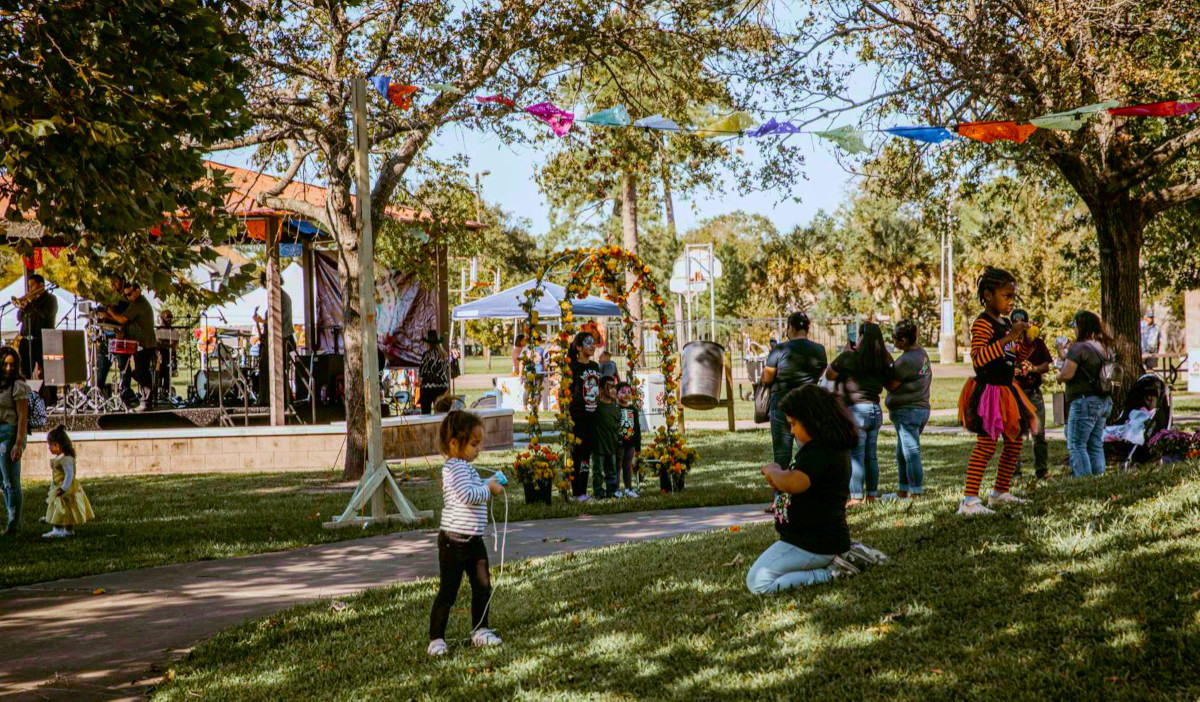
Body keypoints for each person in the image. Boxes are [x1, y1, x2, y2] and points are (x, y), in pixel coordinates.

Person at [746, 385, 887, 593]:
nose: (792, 431)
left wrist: (775, 471)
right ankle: (840, 557)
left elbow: (795, 483)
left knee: (759, 583)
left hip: (814, 543)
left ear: (812, 420)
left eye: (794, 424)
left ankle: (831, 572)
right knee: (762, 575)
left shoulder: (821, 452)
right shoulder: (819, 449)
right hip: (807, 541)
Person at [956, 267, 1038, 516]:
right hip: (989, 391)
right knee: (987, 444)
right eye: (1006, 296)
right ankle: (969, 500)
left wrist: (1026, 342)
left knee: (1014, 442)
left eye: (1013, 296)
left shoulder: (1005, 323)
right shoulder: (983, 323)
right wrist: (1008, 337)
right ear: (988, 295)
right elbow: (979, 358)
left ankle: (1000, 492)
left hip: (1007, 389)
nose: (1011, 302)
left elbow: (1013, 356)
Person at [427, 410, 504, 656]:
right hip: (454, 541)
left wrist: (488, 482)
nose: (477, 449)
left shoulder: (464, 467)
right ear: (454, 443)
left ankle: (480, 630)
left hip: (473, 540)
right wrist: (489, 489)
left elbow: (474, 487)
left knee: (482, 585)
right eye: (473, 444)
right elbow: (468, 495)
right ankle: (436, 639)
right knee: (448, 591)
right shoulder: (454, 468)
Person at [826, 321, 893, 506]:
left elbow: (829, 374)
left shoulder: (849, 357)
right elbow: (891, 381)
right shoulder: (882, 360)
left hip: (856, 411)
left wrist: (847, 351)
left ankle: (856, 496)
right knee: (871, 456)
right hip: (875, 410)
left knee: (856, 455)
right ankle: (871, 495)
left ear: (862, 337)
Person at [761, 311, 828, 469]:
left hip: (781, 405)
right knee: (808, 451)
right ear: (807, 328)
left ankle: (782, 491)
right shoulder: (820, 350)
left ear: (790, 327)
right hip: (808, 406)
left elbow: (767, 378)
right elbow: (819, 373)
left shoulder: (779, 350)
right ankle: (809, 488)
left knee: (781, 454)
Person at [1058, 310, 1114, 478]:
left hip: (1084, 402)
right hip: (1103, 401)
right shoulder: (1104, 347)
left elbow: (1066, 374)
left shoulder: (1080, 347)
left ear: (1081, 326)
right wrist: (1062, 354)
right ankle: (1098, 477)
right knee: (1095, 443)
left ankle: (1084, 481)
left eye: (1074, 326)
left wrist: (1058, 375)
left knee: (1076, 444)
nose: (1074, 330)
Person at [885, 320, 931, 498]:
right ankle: (903, 490)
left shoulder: (907, 360)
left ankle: (915, 492)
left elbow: (891, 385)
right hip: (920, 409)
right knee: (901, 452)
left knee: (911, 453)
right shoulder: (921, 354)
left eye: (895, 338)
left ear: (903, 340)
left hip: (908, 410)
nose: (894, 342)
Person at [1011, 309, 1053, 480]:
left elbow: (1046, 365)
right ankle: (1015, 473)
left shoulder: (1037, 342)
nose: (1020, 325)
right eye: (1016, 322)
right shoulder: (1009, 344)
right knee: (1014, 435)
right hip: (1015, 394)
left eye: (1023, 322)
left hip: (1034, 393)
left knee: (1039, 434)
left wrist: (1033, 369)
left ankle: (1042, 471)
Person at [105, 282, 158, 411]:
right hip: (141, 344)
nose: (128, 297)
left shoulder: (139, 304)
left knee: (141, 373)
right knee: (140, 372)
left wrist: (110, 311)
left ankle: (147, 402)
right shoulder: (136, 303)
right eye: (126, 295)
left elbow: (122, 319)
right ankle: (148, 398)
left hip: (144, 344)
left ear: (138, 291)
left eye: (129, 294)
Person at [567, 332, 602, 501]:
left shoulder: (595, 366)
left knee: (586, 456)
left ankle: (584, 491)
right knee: (577, 454)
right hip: (577, 417)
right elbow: (565, 391)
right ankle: (576, 491)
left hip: (592, 417)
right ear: (579, 347)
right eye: (588, 343)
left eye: (593, 343)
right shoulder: (572, 366)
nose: (592, 346)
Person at [42, 426, 93, 539]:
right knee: (63, 508)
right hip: (58, 486)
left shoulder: (66, 459)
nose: (49, 447)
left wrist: (64, 488)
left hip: (65, 488)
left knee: (62, 508)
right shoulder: (61, 457)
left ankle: (59, 529)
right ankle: (65, 529)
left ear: (58, 445)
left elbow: (69, 474)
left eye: (50, 444)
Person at [14, 274, 57, 407]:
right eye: (29, 286)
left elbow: (46, 315)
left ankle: (50, 401)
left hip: (43, 340)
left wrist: (33, 302)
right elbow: (19, 318)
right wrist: (22, 306)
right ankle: (26, 400)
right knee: (24, 372)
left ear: (41, 285)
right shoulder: (29, 301)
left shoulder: (50, 299)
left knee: (47, 372)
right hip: (27, 341)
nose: (29, 288)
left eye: (32, 285)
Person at [253, 272, 295, 407]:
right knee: (276, 370)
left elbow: (275, 320)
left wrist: (260, 320)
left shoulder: (280, 297)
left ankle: (269, 399)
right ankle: (277, 398)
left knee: (269, 369)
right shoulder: (282, 296)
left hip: (279, 339)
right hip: (280, 338)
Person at [0, 347, 30, 536]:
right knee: (3, 481)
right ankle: (10, 519)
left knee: (11, 480)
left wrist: (18, 444)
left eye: (12, 364)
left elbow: (22, 417)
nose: (8, 368)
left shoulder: (18, 385)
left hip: (10, 433)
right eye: (5, 364)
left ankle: (14, 524)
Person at [591, 376, 621, 499]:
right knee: (598, 472)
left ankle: (611, 492)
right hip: (599, 446)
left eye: (614, 387)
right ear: (602, 389)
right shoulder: (597, 407)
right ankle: (598, 492)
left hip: (612, 445)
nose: (613, 390)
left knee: (612, 471)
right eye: (609, 386)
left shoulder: (615, 408)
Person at [615, 381, 642, 498]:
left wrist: (638, 446)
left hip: (630, 444)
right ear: (616, 394)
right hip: (618, 444)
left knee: (627, 466)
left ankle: (628, 488)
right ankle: (616, 489)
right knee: (618, 466)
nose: (626, 395)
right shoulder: (615, 408)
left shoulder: (633, 410)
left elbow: (637, 428)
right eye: (622, 392)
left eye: (629, 392)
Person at [417, 330, 451, 415]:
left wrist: (419, 380)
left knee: (426, 412)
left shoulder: (427, 355)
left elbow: (422, 371)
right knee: (442, 412)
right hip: (442, 386)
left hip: (428, 387)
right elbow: (446, 370)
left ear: (428, 343)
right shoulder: (444, 355)